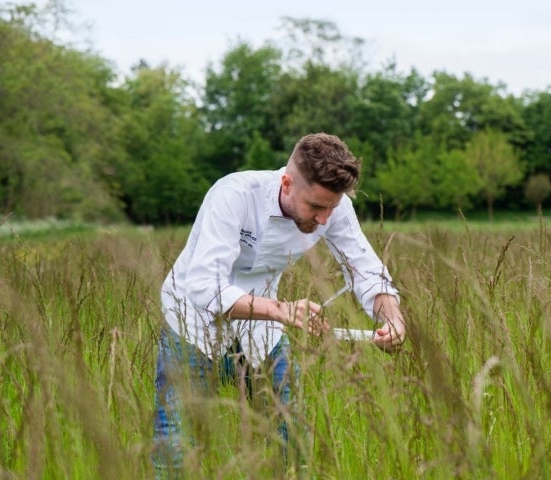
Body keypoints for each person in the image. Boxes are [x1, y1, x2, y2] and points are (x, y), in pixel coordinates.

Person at [152, 132, 406, 477]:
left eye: (331, 208)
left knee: (292, 437)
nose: (323, 220)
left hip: (264, 327)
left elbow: (367, 271)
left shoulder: (334, 207)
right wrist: (280, 310)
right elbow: (204, 285)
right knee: (176, 448)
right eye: (315, 207)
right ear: (287, 183)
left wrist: (392, 320)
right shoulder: (234, 195)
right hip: (191, 323)